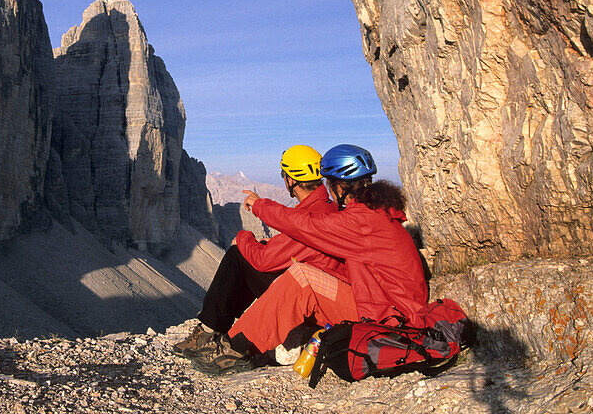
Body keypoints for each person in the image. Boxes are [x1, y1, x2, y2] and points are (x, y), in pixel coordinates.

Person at [220, 144, 429, 364]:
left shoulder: (362, 222)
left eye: (329, 183)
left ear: (340, 187)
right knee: (309, 273)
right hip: (389, 306)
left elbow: (306, 225)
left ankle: (235, 348)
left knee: (303, 278)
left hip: (389, 319)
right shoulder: (373, 213)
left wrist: (260, 206)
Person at [174, 145, 347, 372]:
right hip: (315, 294)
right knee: (249, 254)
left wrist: (242, 238)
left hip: (306, 302)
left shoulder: (311, 218)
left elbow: (264, 260)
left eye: (284, 175)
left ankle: (209, 332)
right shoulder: (324, 208)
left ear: (290, 181)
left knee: (239, 256)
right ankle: (212, 330)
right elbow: (285, 241)